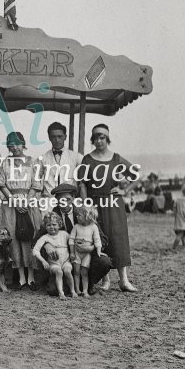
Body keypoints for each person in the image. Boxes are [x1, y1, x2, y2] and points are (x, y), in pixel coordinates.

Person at [80, 124, 137, 292]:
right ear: (93, 140)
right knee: (100, 238)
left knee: (118, 239)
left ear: (107, 139)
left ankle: (124, 280)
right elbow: (82, 184)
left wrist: (124, 190)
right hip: (95, 204)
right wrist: (85, 204)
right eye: (96, 138)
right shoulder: (87, 159)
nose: (99, 141)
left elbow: (136, 176)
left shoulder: (116, 158)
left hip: (114, 204)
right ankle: (106, 280)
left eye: (102, 137)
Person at [44, 182, 112, 294]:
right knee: (53, 290)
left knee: (104, 261)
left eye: (68, 199)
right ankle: (72, 284)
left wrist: (91, 248)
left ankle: (89, 283)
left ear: (73, 198)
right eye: (61, 200)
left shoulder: (83, 213)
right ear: (56, 200)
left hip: (85, 257)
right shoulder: (52, 215)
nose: (64, 203)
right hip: (64, 260)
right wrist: (47, 245)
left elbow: (103, 239)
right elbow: (38, 237)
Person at [0, 131, 43, 289]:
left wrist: (27, 202)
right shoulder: (5, 163)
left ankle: (31, 277)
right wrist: (15, 202)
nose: (14, 147)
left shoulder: (33, 162)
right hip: (11, 204)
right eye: (11, 144)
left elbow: (36, 185)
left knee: (30, 236)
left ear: (23, 144)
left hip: (29, 203)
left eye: (17, 143)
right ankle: (21, 278)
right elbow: (1, 184)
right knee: (15, 238)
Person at [39, 122, 82, 211]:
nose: (57, 140)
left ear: (65, 137)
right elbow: (35, 181)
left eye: (60, 136)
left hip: (70, 201)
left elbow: (89, 175)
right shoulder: (42, 158)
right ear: (49, 138)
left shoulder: (76, 157)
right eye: (53, 137)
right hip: (49, 202)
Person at [33, 212, 76, 300]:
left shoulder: (64, 234)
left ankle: (73, 291)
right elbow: (35, 250)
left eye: (54, 224)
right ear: (45, 226)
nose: (52, 227)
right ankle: (61, 293)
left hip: (65, 261)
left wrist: (72, 254)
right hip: (54, 263)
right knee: (59, 272)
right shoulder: (45, 237)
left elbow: (72, 243)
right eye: (49, 225)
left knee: (67, 271)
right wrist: (43, 261)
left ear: (59, 225)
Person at [69, 205, 102, 298]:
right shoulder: (76, 227)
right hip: (77, 253)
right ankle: (77, 290)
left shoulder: (93, 227)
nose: (77, 217)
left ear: (87, 216)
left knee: (84, 272)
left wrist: (98, 250)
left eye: (79, 215)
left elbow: (97, 240)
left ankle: (85, 291)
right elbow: (71, 239)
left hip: (87, 254)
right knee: (76, 271)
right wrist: (72, 252)